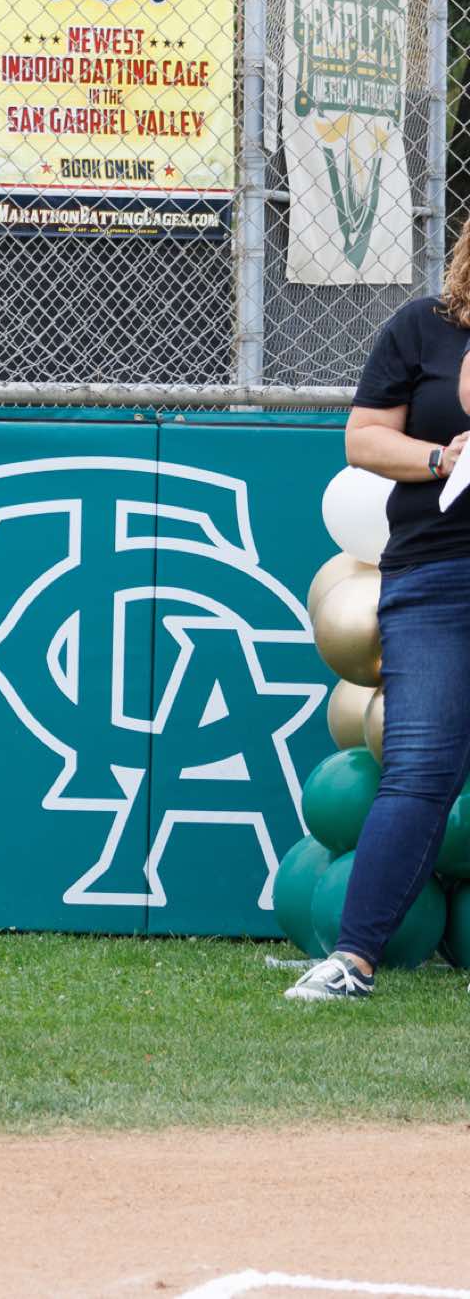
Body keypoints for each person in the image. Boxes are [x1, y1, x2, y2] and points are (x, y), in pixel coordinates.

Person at [286, 216, 470, 1001]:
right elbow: (363, 439)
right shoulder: (422, 327)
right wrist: (440, 456)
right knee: (420, 767)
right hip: (435, 575)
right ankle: (353, 959)